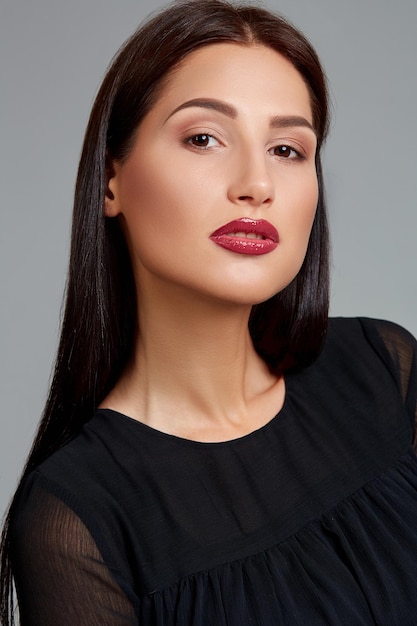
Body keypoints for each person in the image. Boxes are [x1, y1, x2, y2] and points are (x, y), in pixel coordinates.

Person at [1, 0, 416, 623]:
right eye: (204, 138)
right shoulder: (78, 518)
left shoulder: (386, 367)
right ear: (111, 179)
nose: (257, 183)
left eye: (287, 149)